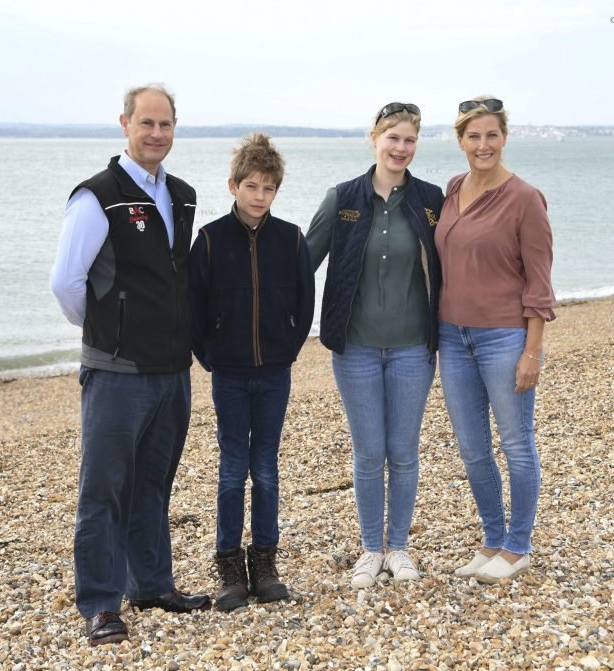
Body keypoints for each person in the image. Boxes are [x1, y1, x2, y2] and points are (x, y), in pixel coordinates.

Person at [49, 83, 211, 647]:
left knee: (153, 486)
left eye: (165, 124)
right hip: (116, 374)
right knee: (105, 491)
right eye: (146, 123)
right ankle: (99, 603)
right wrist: (107, 333)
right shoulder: (97, 196)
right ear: (124, 124)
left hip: (172, 372)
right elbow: (66, 284)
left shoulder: (182, 195)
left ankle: (152, 585)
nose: (156, 134)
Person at [307, 103, 444, 588]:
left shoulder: (430, 201)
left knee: (404, 452)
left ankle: (399, 547)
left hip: (413, 349)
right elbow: (302, 265)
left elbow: (458, 262)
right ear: (374, 139)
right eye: (393, 138)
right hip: (356, 350)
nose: (401, 148)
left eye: (409, 140)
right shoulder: (342, 198)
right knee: (368, 454)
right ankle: (370, 549)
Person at [189, 133, 315, 611]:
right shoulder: (209, 239)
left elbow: (305, 303)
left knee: (265, 468)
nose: (259, 196)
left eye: (268, 188)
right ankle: (228, 565)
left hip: (275, 373)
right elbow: (195, 308)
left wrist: (287, 346)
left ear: (276, 192)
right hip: (229, 373)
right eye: (251, 186)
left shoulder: (292, 237)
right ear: (233, 186)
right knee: (231, 469)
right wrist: (212, 355)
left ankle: (264, 561)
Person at [435, 96, 556, 582]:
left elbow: (540, 283)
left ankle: (518, 545)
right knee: (472, 448)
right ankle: (491, 540)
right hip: (451, 335)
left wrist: (532, 350)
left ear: (504, 137)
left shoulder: (526, 198)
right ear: (460, 140)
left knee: (516, 443)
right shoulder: (453, 187)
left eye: (491, 135)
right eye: (473, 136)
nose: (482, 145)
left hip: (504, 338)